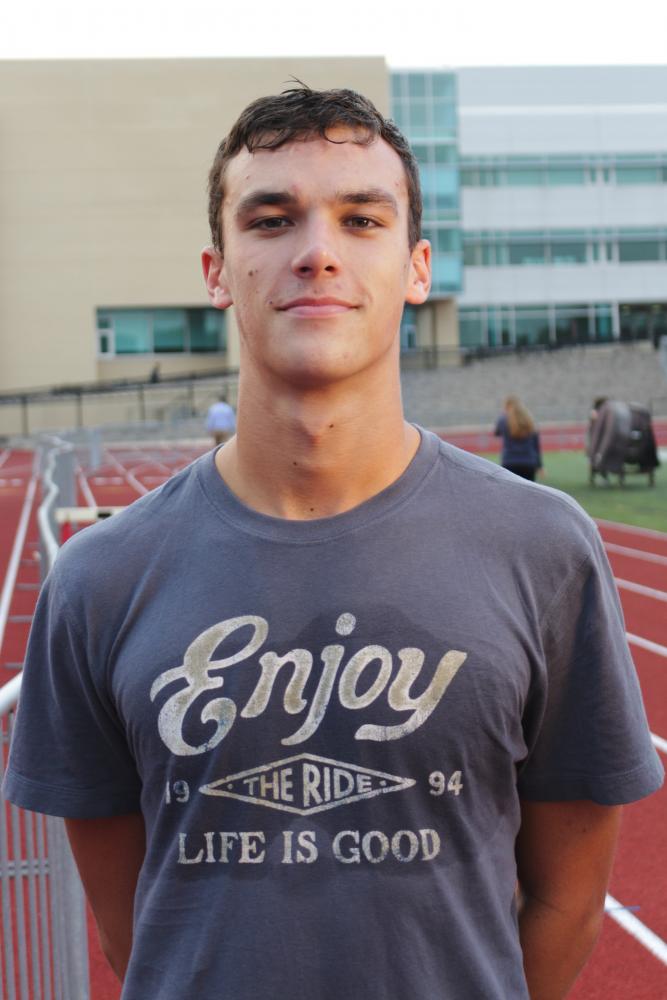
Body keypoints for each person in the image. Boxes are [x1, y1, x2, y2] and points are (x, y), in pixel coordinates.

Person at [3, 85, 663, 1000]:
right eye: (271, 220)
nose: (316, 254)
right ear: (216, 269)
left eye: (360, 219)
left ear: (417, 266)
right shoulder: (99, 579)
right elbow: (132, 928)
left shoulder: (544, 549)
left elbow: (569, 901)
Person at [494, 394, 543, 481]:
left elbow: (496, 433)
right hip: (528, 462)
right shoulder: (529, 420)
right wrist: (540, 466)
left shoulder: (503, 420)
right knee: (528, 493)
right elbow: (536, 446)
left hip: (509, 462)